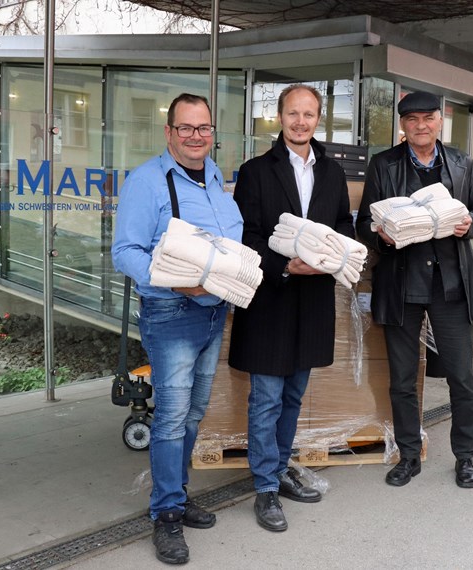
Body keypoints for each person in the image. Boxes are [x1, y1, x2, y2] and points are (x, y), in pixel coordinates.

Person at [111, 93, 243, 565]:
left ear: (213, 134)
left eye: (203, 128)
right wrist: (176, 281)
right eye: (185, 128)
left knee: (193, 412)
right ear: (168, 132)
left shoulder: (212, 178)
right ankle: (165, 514)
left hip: (213, 312)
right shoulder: (146, 181)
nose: (195, 136)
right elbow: (126, 251)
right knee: (169, 416)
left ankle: (178, 494)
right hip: (170, 314)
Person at [228, 84, 354, 532]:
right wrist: (286, 264)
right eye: (293, 114)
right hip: (271, 299)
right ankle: (264, 488)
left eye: (310, 114)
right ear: (278, 117)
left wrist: (328, 254)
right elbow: (248, 236)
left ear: (319, 118)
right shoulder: (256, 171)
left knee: (294, 395)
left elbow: (342, 223)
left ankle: (279, 471)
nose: (301, 122)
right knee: (265, 399)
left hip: (313, 299)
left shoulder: (334, 174)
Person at [356, 91, 473, 489]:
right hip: (402, 283)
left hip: (450, 284)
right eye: (411, 119)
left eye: (427, 118)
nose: (420, 125)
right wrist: (382, 235)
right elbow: (364, 222)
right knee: (402, 378)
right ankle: (409, 455)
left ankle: (464, 457)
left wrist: (472, 225)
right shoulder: (383, 164)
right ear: (402, 125)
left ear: (440, 121)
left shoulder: (462, 163)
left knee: (461, 377)